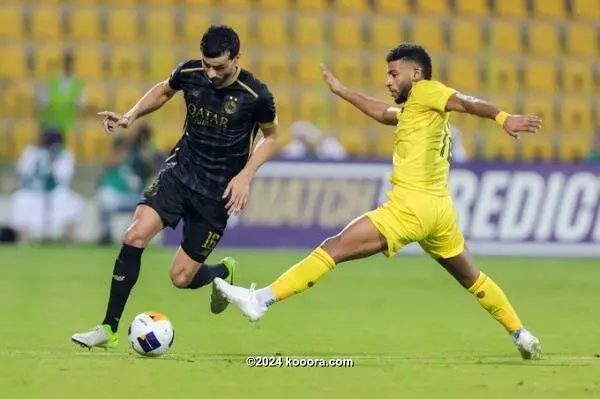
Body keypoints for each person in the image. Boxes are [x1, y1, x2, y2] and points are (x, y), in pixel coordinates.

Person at [214, 44, 543, 360]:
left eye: (393, 74)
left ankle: (260, 300)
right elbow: (384, 114)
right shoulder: (418, 109)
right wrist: (343, 91)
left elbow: (467, 102)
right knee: (473, 278)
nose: (387, 81)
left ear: (416, 73)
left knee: (335, 247)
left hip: (410, 208)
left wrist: (503, 118)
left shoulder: (429, 90)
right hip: (440, 210)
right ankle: (521, 334)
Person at [72, 26, 279, 349]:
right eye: (206, 65)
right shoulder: (191, 72)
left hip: (217, 193)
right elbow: (165, 89)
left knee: (181, 278)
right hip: (180, 173)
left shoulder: (256, 96)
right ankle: (108, 328)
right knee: (134, 235)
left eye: (219, 67)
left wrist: (246, 175)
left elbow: (273, 137)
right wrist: (131, 115)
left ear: (237, 59)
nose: (210, 73)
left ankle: (221, 273)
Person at [11, 129, 84, 242]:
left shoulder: (64, 154)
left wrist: (54, 160)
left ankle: (69, 240)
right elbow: (23, 172)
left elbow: (64, 177)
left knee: (75, 202)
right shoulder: (31, 152)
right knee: (19, 199)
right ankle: (22, 240)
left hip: (55, 192)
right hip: (32, 191)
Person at [97, 123, 159, 245]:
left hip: (138, 196)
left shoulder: (149, 149)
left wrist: (142, 148)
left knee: (150, 204)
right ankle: (106, 233)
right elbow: (112, 163)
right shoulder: (124, 147)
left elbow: (152, 167)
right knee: (104, 196)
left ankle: (136, 237)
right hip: (119, 194)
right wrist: (126, 146)